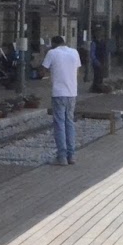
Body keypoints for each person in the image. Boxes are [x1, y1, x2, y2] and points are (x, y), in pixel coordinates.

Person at [41, 35, 81, 166]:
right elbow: (77, 71)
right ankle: (72, 155)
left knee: (59, 123)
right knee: (69, 122)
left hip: (58, 92)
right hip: (72, 92)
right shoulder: (74, 52)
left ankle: (62, 156)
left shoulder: (52, 53)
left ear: (53, 43)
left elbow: (42, 70)